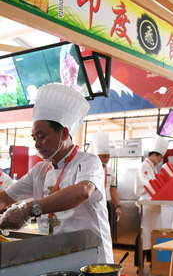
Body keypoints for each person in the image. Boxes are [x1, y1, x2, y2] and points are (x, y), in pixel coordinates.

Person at [0, 84, 113, 262]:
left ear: (64, 133)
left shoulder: (88, 161)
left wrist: (29, 209)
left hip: (92, 257)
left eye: (42, 136)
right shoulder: (40, 170)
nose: (37, 144)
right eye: (34, 138)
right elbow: (5, 198)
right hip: (55, 254)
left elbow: (82, 192)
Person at [134, 135, 169, 271]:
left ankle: (153, 265)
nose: (160, 161)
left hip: (153, 206)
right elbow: (150, 184)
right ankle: (140, 266)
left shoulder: (152, 167)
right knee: (144, 236)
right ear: (155, 155)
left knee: (152, 236)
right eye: (160, 158)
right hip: (146, 206)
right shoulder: (145, 166)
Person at [92, 132, 122, 223]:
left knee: (105, 230)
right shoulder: (90, 170)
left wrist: (118, 206)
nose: (107, 159)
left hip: (106, 204)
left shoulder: (110, 170)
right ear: (97, 156)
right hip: (93, 204)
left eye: (108, 156)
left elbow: (113, 189)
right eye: (104, 156)